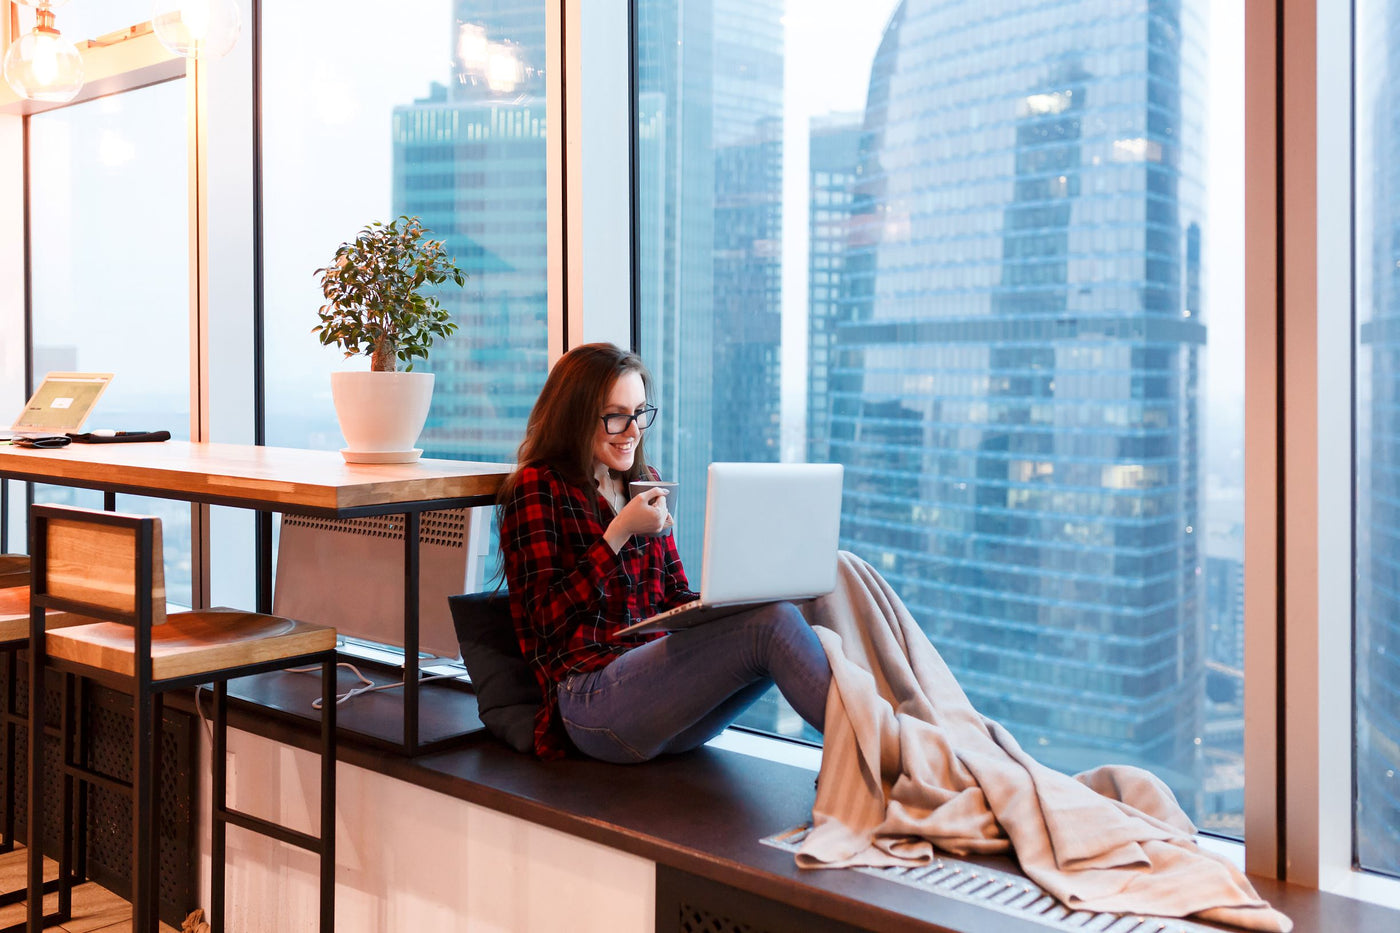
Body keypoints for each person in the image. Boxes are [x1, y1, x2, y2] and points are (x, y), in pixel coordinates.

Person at [497, 342, 832, 761]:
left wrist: (738, 594)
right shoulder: (538, 486)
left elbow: (674, 596)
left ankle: (903, 740)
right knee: (773, 625)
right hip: (589, 701)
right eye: (617, 416)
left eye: (639, 413)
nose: (634, 430)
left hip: (660, 705)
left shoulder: (644, 482)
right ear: (576, 416)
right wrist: (617, 534)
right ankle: (882, 754)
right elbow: (545, 619)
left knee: (802, 600)